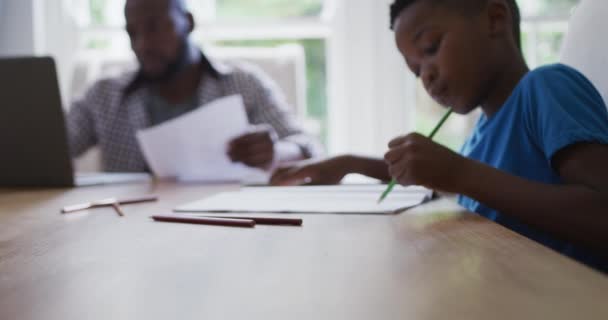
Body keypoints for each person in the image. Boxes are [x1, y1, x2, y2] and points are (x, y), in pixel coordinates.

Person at [271, 0, 608, 272]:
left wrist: (460, 174)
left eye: (431, 48)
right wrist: (349, 163)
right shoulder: (482, 133)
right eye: (416, 70)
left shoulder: (547, 88)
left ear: (494, 18)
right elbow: (446, 179)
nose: (426, 76)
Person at [67, 0, 322, 172]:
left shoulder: (244, 84)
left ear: (188, 22)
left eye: (153, 27)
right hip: (125, 231)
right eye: (132, 33)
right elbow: (54, 147)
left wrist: (275, 152)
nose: (142, 44)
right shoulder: (104, 95)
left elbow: (310, 150)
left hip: (225, 228)